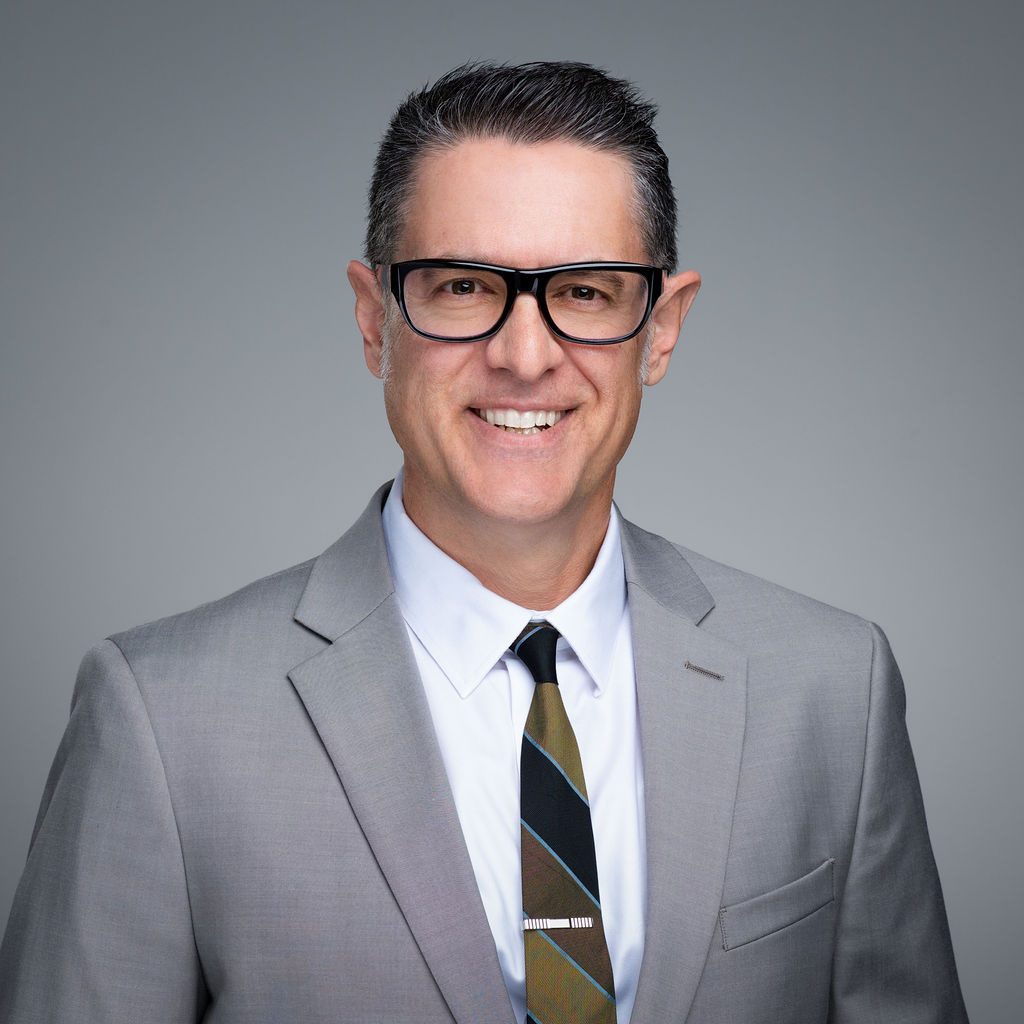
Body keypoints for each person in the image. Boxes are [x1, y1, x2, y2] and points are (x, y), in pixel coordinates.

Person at [0, 61, 968, 1024]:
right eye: (464, 286)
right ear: (374, 318)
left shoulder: (834, 689)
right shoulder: (162, 719)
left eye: (585, 292)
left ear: (662, 329)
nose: (524, 352)